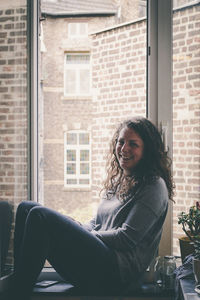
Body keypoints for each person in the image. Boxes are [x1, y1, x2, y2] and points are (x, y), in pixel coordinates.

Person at [8, 117, 174, 300]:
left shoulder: (154, 186)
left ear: (147, 151)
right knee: (26, 208)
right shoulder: (121, 179)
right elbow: (97, 223)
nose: (124, 149)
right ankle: (19, 282)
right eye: (121, 142)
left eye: (133, 144)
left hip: (116, 275)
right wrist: (77, 227)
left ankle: (17, 293)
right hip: (99, 261)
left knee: (40, 216)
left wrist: (84, 234)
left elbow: (126, 238)